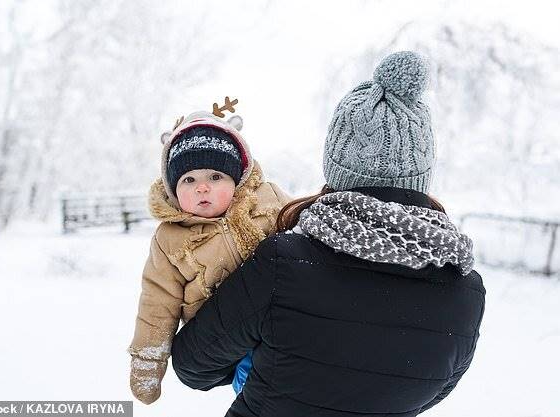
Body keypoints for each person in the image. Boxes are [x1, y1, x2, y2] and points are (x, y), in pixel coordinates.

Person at [171, 51, 486, 417]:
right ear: (421, 170)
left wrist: (259, 365)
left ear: (336, 164)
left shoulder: (283, 262)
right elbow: (434, 392)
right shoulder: (467, 290)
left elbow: (194, 365)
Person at [127, 100, 292, 404]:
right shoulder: (169, 239)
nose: (202, 188)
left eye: (215, 177)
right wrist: (148, 362)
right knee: (260, 387)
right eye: (189, 180)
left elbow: (305, 224)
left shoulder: (268, 199)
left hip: (284, 319)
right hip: (226, 337)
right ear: (173, 188)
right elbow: (157, 302)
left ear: (237, 178)